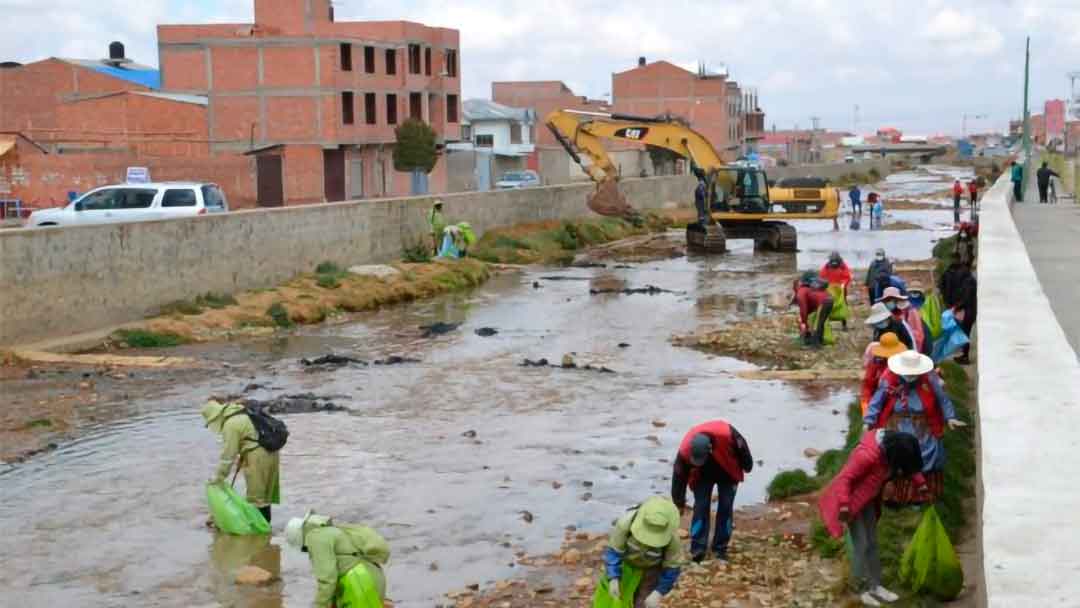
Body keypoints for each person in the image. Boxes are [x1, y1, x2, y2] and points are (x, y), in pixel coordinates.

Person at [818, 430, 927, 607]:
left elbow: (910, 465)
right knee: (861, 545)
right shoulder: (866, 456)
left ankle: (875, 586)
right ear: (893, 454)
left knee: (872, 543)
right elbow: (845, 479)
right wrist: (845, 505)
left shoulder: (894, 448)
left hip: (867, 500)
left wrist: (920, 483)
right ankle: (860, 589)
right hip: (850, 504)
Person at [865, 351, 966, 503]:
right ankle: (896, 497)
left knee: (925, 459)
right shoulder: (888, 379)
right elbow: (876, 402)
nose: (910, 377)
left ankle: (923, 496)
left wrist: (950, 417)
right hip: (897, 426)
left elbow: (942, 399)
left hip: (923, 428)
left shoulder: (930, 378)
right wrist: (868, 421)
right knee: (898, 458)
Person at [671, 421, 753, 563]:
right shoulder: (685, 449)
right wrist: (679, 502)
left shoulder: (727, 434)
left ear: (710, 449)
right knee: (701, 506)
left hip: (728, 470)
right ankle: (697, 549)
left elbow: (743, 447)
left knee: (725, 507)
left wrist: (747, 465)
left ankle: (720, 548)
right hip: (702, 475)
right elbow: (679, 475)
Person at [285, 511, 390, 608]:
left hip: (359, 582)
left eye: (305, 549)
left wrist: (320, 606)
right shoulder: (331, 531)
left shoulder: (315, 537)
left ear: (300, 538)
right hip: (372, 576)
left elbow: (327, 579)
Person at [202, 399, 280, 523]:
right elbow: (250, 436)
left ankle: (260, 532)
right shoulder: (241, 412)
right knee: (264, 495)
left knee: (256, 497)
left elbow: (227, 457)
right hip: (272, 453)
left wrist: (218, 478)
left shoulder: (230, 424)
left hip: (258, 457)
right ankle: (265, 532)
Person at [598, 496, 683, 608]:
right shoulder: (625, 524)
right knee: (615, 599)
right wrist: (613, 577)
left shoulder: (672, 539)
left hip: (651, 572)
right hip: (625, 567)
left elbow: (672, 568)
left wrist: (658, 592)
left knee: (643, 603)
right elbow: (614, 552)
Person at [938, 258, 976, 364]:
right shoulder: (968, 279)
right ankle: (964, 354)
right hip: (970, 310)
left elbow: (965, 297)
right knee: (965, 332)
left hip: (965, 311)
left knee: (964, 333)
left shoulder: (965, 281)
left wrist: (956, 307)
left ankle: (965, 356)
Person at [860, 332, 906, 415]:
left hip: (899, 405)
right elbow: (867, 387)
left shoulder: (905, 365)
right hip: (878, 402)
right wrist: (866, 409)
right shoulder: (875, 363)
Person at [879, 287, 931, 356]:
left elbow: (918, 335)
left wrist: (914, 353)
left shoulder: (910, 311)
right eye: (886, 300)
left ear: (896, 299)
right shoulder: (891, 313)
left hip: (919, 346)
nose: (888, 302)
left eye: (890, 300)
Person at [793, 271, 834, 347]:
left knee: (817, 325)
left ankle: (815, 345)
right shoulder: (812, 288)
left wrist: (804, 322)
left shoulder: (801, 292)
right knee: (820, 323)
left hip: (824, 303)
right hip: (830, 300)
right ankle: (819, 341)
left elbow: (803, 309)